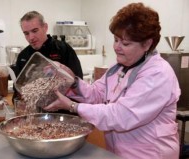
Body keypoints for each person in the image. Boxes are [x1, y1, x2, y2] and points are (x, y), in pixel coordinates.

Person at [44, 3, 180, 159]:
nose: (116, 47)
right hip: (119, 152)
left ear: (147, 44)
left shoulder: (158, 74)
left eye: (125, 43)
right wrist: (72, 80)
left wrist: (73, 106)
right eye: (116, 40)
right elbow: (96, 94)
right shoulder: (119, 68)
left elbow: (121, 116)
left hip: (150, 154)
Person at [12, 10, 83, 104]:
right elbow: (19, 89)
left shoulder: (63, 49)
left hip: (63, 109)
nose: (31, 37)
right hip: (35, 110)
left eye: (34, 31)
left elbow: (77, 82)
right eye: (26, 33)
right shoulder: (23, 56)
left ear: (45, 27)